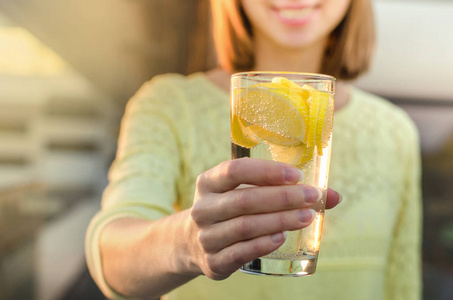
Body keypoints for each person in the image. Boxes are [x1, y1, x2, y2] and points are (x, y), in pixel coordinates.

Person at [86, 0, 422, 299]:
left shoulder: (396, 131)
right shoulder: (168, 105)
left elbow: (402, 285)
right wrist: (187, 242)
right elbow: (113, 259)